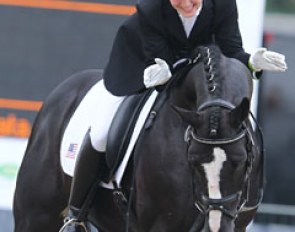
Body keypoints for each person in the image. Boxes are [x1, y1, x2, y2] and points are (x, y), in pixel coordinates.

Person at [59, 0, 287, 231]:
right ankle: (75, 215)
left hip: (190, 74)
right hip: (141, 66)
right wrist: (162, 69)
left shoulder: (222, 4)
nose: (187, 4)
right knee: (100, 132)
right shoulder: (151, 7)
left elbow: (230, 49)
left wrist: (250, 61)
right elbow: (156, 56)